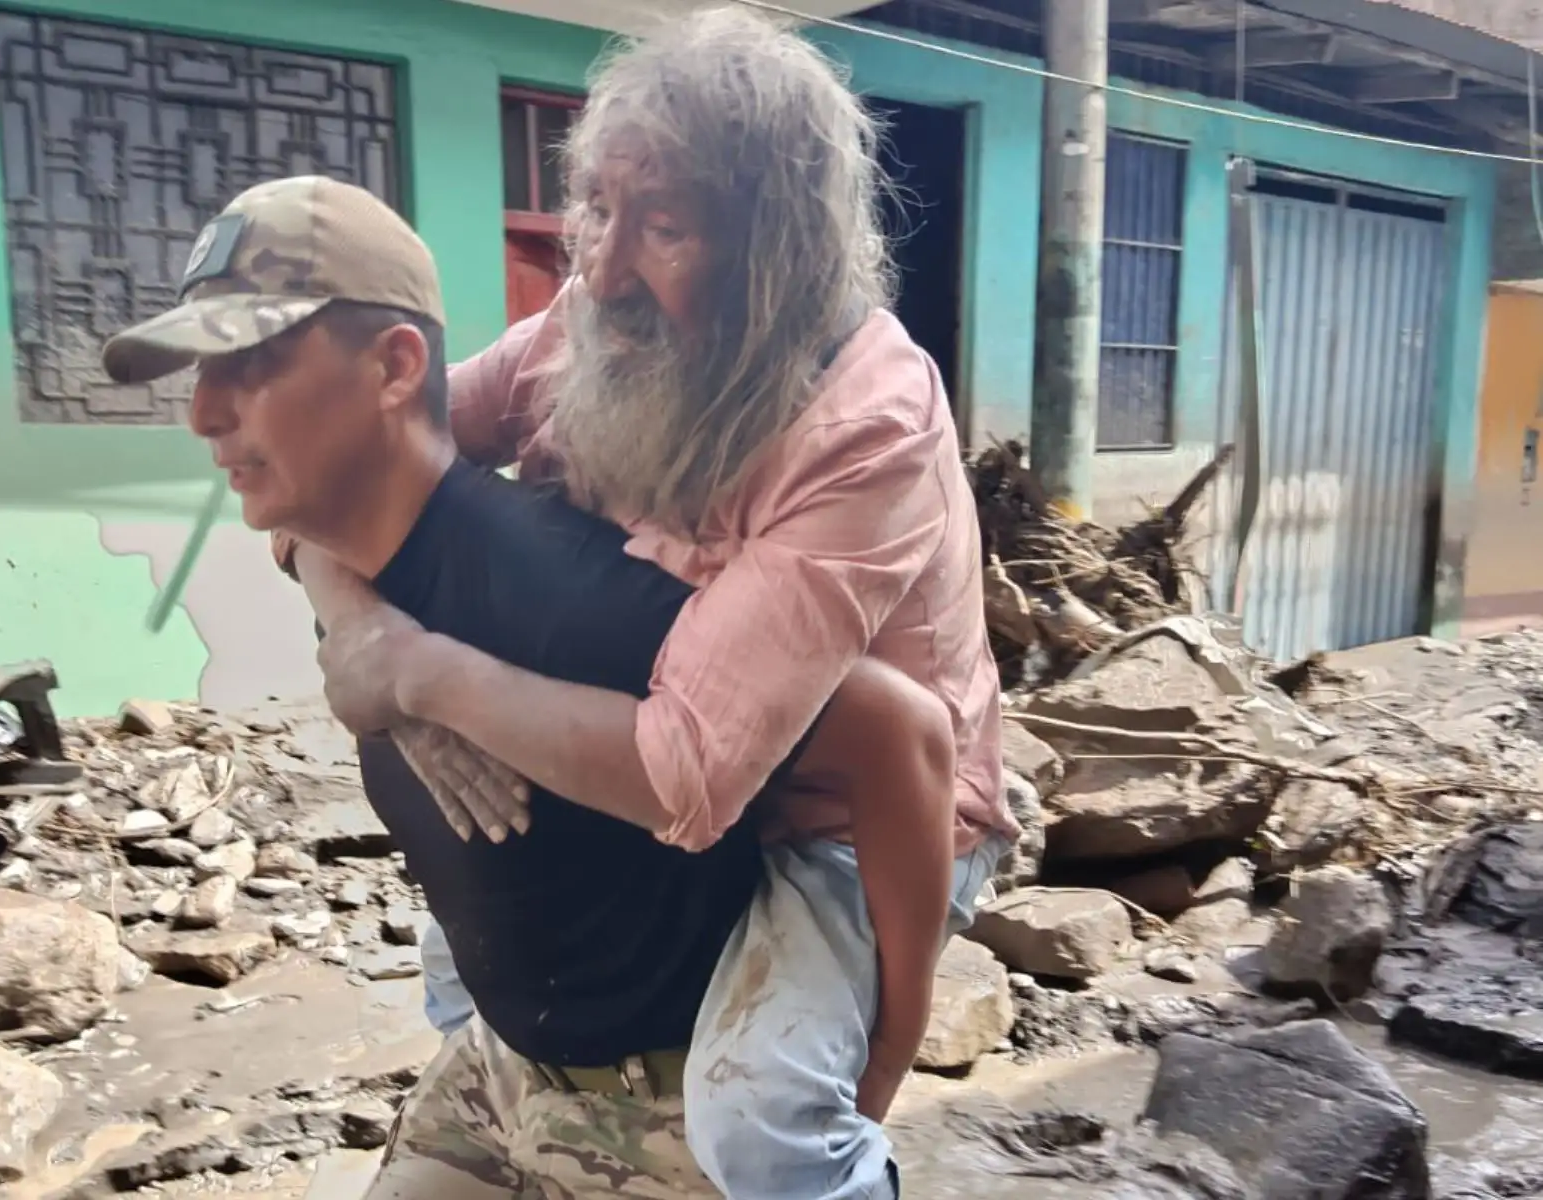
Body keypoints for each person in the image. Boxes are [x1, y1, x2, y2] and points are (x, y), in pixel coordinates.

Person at [101, 175, 967, 1197]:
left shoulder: (569, 594)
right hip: (505, 1073)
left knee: (775, 1134)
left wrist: (887, 1046)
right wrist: (368, 637)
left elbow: (900, 735)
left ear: (393, 367)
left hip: (663, 1111)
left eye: (252, 362)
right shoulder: (344, 549)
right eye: (204, 369)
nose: (204, 411)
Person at [298, 9, 1022, 1198]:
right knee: (468, 959)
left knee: (764, 1120)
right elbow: (349, 472)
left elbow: (695, 774)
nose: (600, 266)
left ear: (771, 255)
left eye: (666, 227)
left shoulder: (863, 423)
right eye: (595, 209)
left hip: (851, 815)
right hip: (672, 754)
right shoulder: (588, 334)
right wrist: (360, 625)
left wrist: (420, 674)